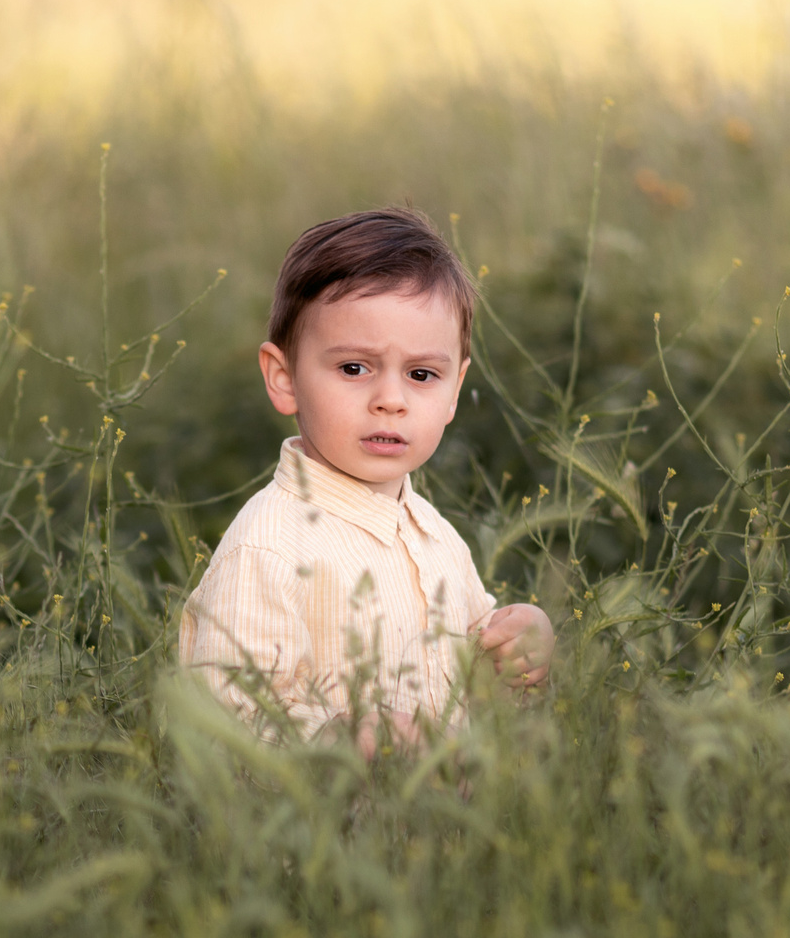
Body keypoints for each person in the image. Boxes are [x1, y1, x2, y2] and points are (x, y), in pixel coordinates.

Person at [178, 207, 556, 752]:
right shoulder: (269, 550)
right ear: (284, 380)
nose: (390, 400)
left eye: (422, 375)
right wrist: (349, 738)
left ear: (455, 390)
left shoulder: (434, 535)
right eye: (354, 368)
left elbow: (472, 690)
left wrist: (516, 650)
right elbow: (226, 729)